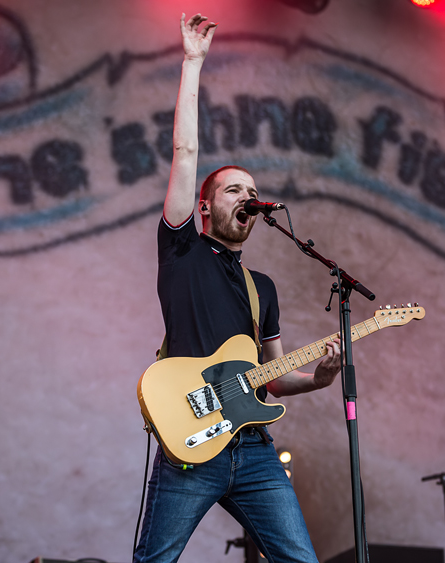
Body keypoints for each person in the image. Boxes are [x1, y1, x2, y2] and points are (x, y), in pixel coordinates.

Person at [132, 13, 343, 563]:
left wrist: (318, 379)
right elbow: (184, 154)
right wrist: (193, 63)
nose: (246, 197)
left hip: (252, 450)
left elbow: (271, 379)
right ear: (205, 206)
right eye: (233, 190)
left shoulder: (261, 288)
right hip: (191, 448)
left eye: (252, 190)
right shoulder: (181, 250)